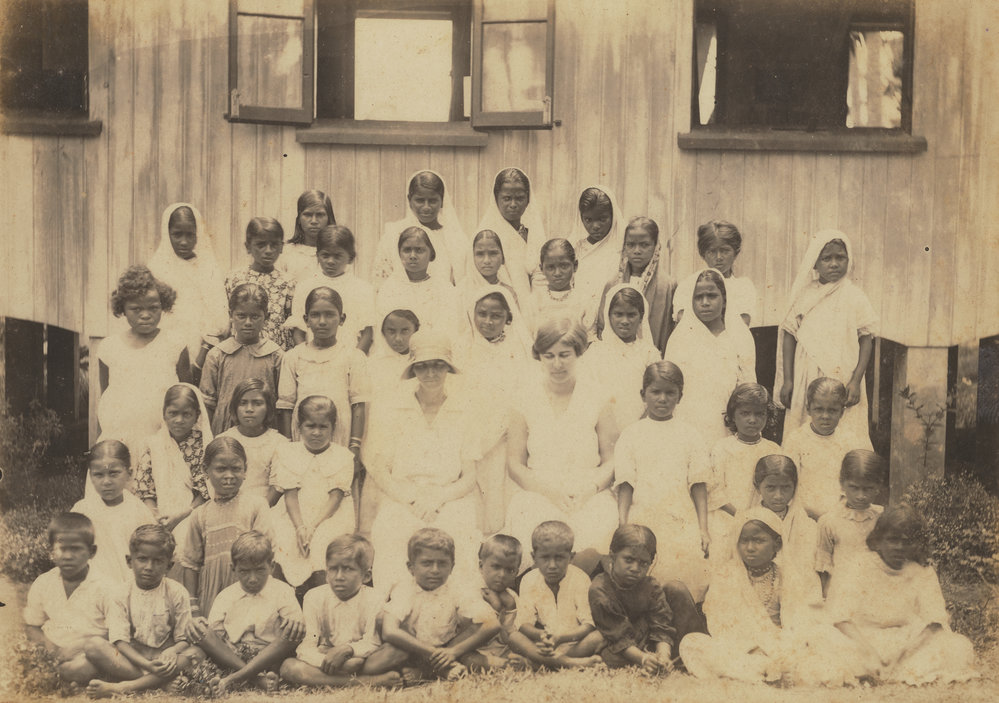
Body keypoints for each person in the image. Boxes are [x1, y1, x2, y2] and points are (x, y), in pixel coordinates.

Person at [679, 508, 857, 686]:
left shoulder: (790, 576)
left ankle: (769, 673)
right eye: (744, 541)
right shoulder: (726, 576)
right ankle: (770, 672)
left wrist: (782, 650)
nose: (750, 548)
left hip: (784, 648)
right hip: (743, 651)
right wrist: (753, 648)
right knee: (691, 643)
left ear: (777, 544)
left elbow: (801, 623)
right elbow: (720, 624)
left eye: (758, 541)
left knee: (826, 636)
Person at [365, 331, 481, 589]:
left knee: (459, 532)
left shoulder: (464, 409)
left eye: (438, 365)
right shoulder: (394, 408)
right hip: (403, 495)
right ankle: (394, 608)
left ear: (447, 369)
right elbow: (381, 470)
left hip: (449, 496)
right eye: (423, 366)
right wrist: (413, 498)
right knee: (391, 531)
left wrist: (439, 497)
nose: (430, 373)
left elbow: (470, 476)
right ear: (413, 369)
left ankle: (458, 610)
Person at [504, 319, 619, 556]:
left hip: (588, 492)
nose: (557, 364)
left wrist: (590, 488)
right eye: (549, 356)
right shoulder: (523, 398)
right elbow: (515, 464)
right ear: (540, 357)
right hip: (539, 491)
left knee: (596, 533)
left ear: (578, 353)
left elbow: (611, 460)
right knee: (535, 533)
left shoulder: (598, 396)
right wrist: (548, 492)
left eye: (564, 355)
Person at [828, 507, 977, 685]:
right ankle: (871, 669)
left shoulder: (923, 572)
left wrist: (902, 655)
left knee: (957, 647)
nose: (899, 547)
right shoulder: (859, 566)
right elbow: (841, 618)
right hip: (862, 639)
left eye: (906, 542)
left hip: (908, 642)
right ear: (878, 540)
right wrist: (871, 654)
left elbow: (934, 622)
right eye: (892, 540)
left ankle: (890, 671)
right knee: (824, 641)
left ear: (917, 544)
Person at [615, 361, 711, 600]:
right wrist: (623, 523)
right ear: (643, 394)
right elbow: (626, 484)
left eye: (670, 393)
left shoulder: (690, 435)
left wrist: (702, 528)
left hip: (679, 514)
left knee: (684, 565)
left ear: (680, 396)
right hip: (643, 514)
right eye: (655, 392)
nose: (662, 399)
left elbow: (698, 485)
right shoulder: (631, 434)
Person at [776, 229, 877, 443]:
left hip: (843, 374)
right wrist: (788, 380)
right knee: (805, 426)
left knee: (845, 430)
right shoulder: (804, 296)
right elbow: (789, 336)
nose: (833, 264)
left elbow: (866, 339)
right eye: (826, 258)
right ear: (815, 263)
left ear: (848, 260)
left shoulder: (855, 296)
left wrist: (856, 380)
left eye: (840, 257)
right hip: (807, 373)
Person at [362, 528, 500, 682]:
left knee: (476, 637)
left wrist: (453, 651)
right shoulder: (405, 588)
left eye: (442, 564)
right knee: (373, 665)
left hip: (446, 648)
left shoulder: (457, 587)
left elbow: (493, 624)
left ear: (452, 566)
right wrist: (431, 652)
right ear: (411, 567)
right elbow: (389, 631)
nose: (435, 570)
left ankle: (428, 671)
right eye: (427, 563)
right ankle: (434, 669)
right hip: (411, 649)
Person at [84, 525, 201, 698]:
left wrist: (173, 650)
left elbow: (184, 639)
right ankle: (159, 683)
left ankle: (125, 687)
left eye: (158, 561)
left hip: (165, 659)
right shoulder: (120, 593)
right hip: (133, 659)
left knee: (197, 653)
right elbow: (120, 641)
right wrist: (147, 665)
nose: (149, 567)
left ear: (169, 565)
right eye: (142, 559)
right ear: (129, 561)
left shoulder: (176, 592)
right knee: (93, 646)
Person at [185, 531, 305, 695]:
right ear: (233, 569)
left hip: (269, 657)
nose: (253, 578)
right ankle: (256, 679)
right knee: (202, 631)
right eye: (244, 571)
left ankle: (234, 679)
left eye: (260, 570)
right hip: (233, 656)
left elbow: (294, 627)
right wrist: (199, 627)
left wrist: (294, 623)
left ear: (272, 566)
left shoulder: (282, 590)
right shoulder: (226, 596)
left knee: (294, 632)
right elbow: (215, 635)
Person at [456, 286, 533, 533]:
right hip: (470, 436)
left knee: (501, 490)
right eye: (482, 314)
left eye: (496, 316)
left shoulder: (517, 350)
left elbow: (521, 395)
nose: (487, 322)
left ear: (508, 318)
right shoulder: (463, 347)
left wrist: (499, 429)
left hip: (504, 437)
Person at [280, 535, 401, 688]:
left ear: (366, 576)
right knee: (289, 667)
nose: (339, 577)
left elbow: (372, 642)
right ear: (326, 573)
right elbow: (306, 646)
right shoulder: (314, 597)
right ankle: (366, 682)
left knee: (394, 651)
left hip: (362, 659)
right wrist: (331, 662)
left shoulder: (375, 598)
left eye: (348, 569)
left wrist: (348, 650)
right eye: (333, 569)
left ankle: (330, 679)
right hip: (327, 660)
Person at [97, 266, 190, 459]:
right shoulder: (109, 347)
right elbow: (106, 397)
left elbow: (186, 394)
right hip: (120, 437)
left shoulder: (175, 344)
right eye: (136, 309)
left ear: (163, 306)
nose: (145, 315)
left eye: (153, 308)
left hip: (163, 438)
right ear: (122, 309)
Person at [270, 396, 356, 596]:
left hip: (328, 514)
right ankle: (286, 600)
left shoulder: (343, 456)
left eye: (323, 427)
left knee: (321, 542)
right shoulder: (287, 451)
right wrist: (300, 526)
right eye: (310, 426)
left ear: (332, 427)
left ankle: (319, 597)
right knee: (284, 537)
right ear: (300, 426)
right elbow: (290, 494)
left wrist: (312, 526)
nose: (316, 432)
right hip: (294, 513)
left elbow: (336, 497)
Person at [180, 437, 274, 617]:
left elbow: (266, 553)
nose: (229, 476)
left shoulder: (256, 505)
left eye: (236, 469)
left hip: (249, 590)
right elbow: (190, 564)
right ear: (206, 470)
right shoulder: (200, 515)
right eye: (221, 469)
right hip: (211, 596)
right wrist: (193, 607)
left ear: (245, 470)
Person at [665, 268, 756, 443]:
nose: (705, 302)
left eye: (712, 296)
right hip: (688, 419)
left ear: (724, 300)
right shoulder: (681, 336)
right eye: (698, 297)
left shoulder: (739, 335)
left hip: (726, 420)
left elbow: (747, 385)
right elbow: (670, 384)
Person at [277, 287, 370, 457]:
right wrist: (288, 448)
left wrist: (354, 446)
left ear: (341, 319)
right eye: (315, 315)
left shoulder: (353, 356)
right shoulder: (293, 357)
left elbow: (358, 404)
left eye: (329, 315)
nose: (322, 321)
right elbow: (286, 407)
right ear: (306, 320)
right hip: (302, 440)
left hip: (340, 435)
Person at [23, 513, 111, 685]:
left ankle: (77, 675)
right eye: (62, 549)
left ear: (92, 552)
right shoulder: (43, 583)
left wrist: (79, 647)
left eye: (76, 549)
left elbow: (116, 632)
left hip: (89, 653)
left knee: (80, 668)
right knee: (26, 663)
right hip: (53, 648)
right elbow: (32, 625)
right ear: (51, 552)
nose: (68, 556)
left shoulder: (106, 586)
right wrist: (50, 649)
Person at [507, 521, 604, 670]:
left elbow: (588, 624)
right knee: (514, 637)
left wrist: (561, 638)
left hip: (575, 643)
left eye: (559, 558)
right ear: (534, 557)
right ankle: (570, 663)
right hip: (544, 645)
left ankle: (540, 664)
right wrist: (544, 636)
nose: (552, 565)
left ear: (571, 557)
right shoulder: (529, 580)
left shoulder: (580, 578)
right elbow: (524, 624)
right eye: (545, 558)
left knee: (599, 637)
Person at [148, 202, 229, 367]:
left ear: (198, 234)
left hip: (204, 351)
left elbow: (218, 316)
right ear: (167, 233)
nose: (184, 242)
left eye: (190, 235)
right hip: (165, 351)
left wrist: (203, 354)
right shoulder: (156, 269)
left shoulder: (208, 268)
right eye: (177, 234)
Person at [587, 525, 677, 672]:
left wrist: (663, 655)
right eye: (628, 559)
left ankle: (664, 659)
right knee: (610, 657)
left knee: (677, 589)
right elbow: (617, 635)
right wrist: (643, 658)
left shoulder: (651, 586)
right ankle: (647, 659)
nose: (635, 568)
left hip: (645, 638)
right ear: (612, 555)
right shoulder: (600, 588)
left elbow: (661, 625)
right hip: (617, 642)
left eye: (643, 563)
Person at [782, 377, 872, 519]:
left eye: (832, 410)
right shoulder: (796, 439)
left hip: (840, 515)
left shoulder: (849, 440)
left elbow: (855, 482)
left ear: (842, 412)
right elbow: (787, 482)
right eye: (819, 409)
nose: (825, 416)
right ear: (808, 409)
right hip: (804, 515)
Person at [200, 283, 282, 435]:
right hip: (224, 430)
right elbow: (207, 404)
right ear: (231, 315)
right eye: (241, 316)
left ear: (267, 317)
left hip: (264, 432)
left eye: (255, 316)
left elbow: (282, 404)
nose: (248, 322)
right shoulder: (217, 355)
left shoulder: (275, 355)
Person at [71, 440, 156, 584]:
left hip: (128, 586)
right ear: (90, 476)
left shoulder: (138, 510)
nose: (106, 481)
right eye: (99, 475)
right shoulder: (82, 510)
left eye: (113, 473)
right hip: (92, 587)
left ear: (129, 473)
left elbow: (152, 551)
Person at [134, 384, 213, 537]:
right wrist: (155, 518)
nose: (179, 420)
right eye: (173, 413)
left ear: (197, 415)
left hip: (192, 512)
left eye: (186, 414)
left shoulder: (202, 445)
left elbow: (206, 493)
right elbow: (145, 490)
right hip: (156, 514)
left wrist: (180, 517)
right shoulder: (152, 444)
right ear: (164, 414)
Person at [584, 283, 661, 432]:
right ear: (608, 315)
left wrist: (640, 429)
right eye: (618, 314)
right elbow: (587, 394)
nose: (625, 321)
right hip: (603, 429)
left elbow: (656, 394)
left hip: (641, 428)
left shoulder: (649, 354)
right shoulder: (595, 352)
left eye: (631, 315)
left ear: (641, 317)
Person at [746, 455, 822, 608]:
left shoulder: (806, 524)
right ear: (757, 486)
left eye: (786, 488)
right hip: (761, 592)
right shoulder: (748, 521)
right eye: (771, 488)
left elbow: (809, 566)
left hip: (800, 592)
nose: (778, 496)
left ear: (794, 487)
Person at [372, 170, 468, 288]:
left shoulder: (455, 238)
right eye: (420, 200)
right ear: (409, 200)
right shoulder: (394, 234)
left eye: (432, 201)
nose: (426, 207)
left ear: (442, 201)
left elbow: (461, 282)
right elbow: (381, 282)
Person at [288, 225, 376, 352]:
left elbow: (367, 335)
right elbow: (299, 331)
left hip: (348, 359)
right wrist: (307, 357)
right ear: (317, 256)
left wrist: (353, 363)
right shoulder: (304, 287)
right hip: (312, 359)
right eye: (325, 255)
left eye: (337, 256)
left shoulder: (363, 289)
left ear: (350, 258)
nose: (330, 261)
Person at [595, 216, 676, 353]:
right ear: (624, 246)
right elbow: (602, 325)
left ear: (656, 246)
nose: (637, 251)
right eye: (631, 245)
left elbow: (669, 332)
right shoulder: (613, 284)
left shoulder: (667, 286)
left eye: (644, 245)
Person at [815, 449, 886, 597]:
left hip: (874, 593)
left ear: (879, 485)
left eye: (868, 489)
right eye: (854, 488)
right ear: (842, 483)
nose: (861, 496)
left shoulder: (883, 518)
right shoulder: (829, 521)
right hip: (841, 594)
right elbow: (823, 565)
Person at [474, 167, 548, 302]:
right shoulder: (486, 236)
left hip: (535, 306)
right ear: (496, 199)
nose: (513, 204)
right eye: (507, 198)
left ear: (528, 200)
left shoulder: (532, 235)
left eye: (519, 198)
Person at [708, 384, 781, 520]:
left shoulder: (773, 450)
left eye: (759, 414)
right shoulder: (722, 448)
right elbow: (715, 490)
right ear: (733, 416)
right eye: (745, 413)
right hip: (727, 516)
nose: (752, 420)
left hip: (762, 517)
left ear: (767, 415)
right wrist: (739, 515)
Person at [375, 225, 461, 339]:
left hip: (434, 351)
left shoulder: (444, 288)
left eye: (419, 250)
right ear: (399, 254)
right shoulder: (389, 288)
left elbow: (449, 327)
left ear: (431, 254)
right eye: (407, 250)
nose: (413, 256)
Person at [224, 217, 295, 350]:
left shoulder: (288, 282)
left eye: (274, 245)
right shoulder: (234, 278)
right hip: (241, 351)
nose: (268, 250)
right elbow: (227, 320)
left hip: (276, 353)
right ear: (248, 247)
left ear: (281, 247)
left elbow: (291, 324)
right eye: (261, 245)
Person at [674, 220, 757, 327]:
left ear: (735, 253)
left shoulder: (743, 287)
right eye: (712, 251)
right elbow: (683, 322)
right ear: (703, 254)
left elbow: (742, 324)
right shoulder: (688, 285)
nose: (718, 257)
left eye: (725, 251)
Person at [219, 378, 287, 503]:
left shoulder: (279, 443)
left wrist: (257, 512)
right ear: (235, 407)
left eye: (257, 403)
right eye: (243, 403)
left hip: (265, 508)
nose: (249, 409)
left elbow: (277, 487)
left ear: (268, 408)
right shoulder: (223, 440)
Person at [559, 186, 624, 314]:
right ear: (581, 218)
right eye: (588, 220)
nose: (595, 226)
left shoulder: (621, 249)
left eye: (602, 219)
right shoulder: (575, 249)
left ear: (613, 216)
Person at [468, 534, 523, 670]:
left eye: (509, 570)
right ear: (481, 566)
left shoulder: (512, 597)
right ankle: (503, 666)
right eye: (496, 567)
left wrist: (510, 608)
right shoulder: (473, 593)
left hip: (503, 651)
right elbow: (472, 635)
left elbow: (508, 637)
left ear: (516, 571)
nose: (502, 575)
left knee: (521, 651)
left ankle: (505, 664)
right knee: (467, 658)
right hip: (476, 650)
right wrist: (496, 608)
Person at [528, 238, 595, 335]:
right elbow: (528, 338)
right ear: (542, 268)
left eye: (564, 266)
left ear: (575, 265)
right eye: (551, 267)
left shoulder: (584, 300)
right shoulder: (534, 301)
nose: (557, 273)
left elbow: (589, 338)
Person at [458, 229, 524, 313]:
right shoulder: (461, 291)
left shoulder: (508, 293)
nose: (487, 260)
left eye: (493, 253)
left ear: (503, 257)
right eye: (480, 254)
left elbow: (515, 324)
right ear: (472, 258)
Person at [278, 189, 336, 282]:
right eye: (308, 215)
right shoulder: (286, 253)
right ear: (299, 219)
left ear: (329, 218)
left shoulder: (336, 253)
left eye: (320, 215)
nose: (314, 221)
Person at [368, 309, 421, 399]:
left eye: (405, 331)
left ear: (415, 332)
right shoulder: (373, 363)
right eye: (391, 331)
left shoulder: (421, 361)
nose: (398, 338)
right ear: (383, 333)